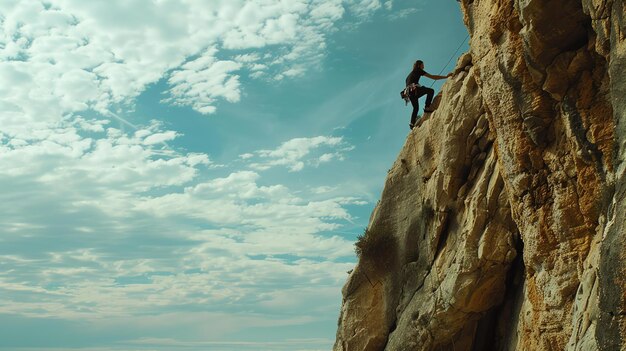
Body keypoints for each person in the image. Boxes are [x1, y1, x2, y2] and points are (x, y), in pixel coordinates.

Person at [405, 60, 452, 129]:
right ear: (419, 65)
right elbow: (433, 77)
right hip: (414, 90)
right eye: (422, 65)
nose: (423, 67)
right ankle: (427, 107)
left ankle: (412, 124)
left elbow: (409, 84)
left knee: (415, 108)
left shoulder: (409, 75)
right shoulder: (418, 70)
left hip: (408, 93)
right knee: (431, 91)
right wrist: (446, 76)